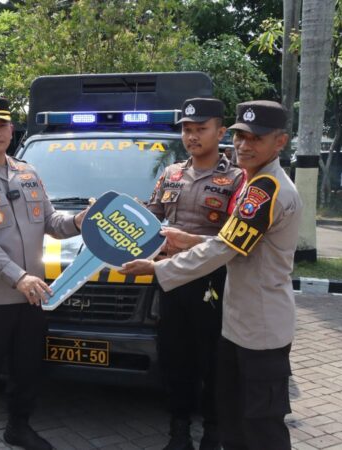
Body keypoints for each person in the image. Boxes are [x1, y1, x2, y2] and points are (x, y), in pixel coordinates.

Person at [122, 100, 302, 450]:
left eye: (256, 138)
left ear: (279, 142)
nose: (244, 146)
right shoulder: (253, 182)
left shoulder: (265, 190)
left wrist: (159, 268)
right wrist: (187, 239)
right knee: (233, 414)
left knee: (261, 425)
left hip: (257, 324)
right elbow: (231, 241)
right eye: (241, 137)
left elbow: (225, 249)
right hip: (238, 322)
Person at [0, 98, 86, 450]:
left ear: (11, 130)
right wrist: (18, 276)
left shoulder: (28, 172)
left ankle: (18, 427)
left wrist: (80, 221)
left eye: (1, 126)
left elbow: (52, 222)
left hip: (30, 299)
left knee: (28, 370)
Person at [146, 98, 244, 450]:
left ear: (220, 131)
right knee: (175, 358)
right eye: (187, 129)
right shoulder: (171, 174)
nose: (192, 136)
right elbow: (150, 220)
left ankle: (214, 431)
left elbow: (233, 240)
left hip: (215, 282)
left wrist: (187, 244)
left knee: (214, 360)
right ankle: (179, 430)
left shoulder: (237, 179)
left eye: (201, 129)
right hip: (173, 281)